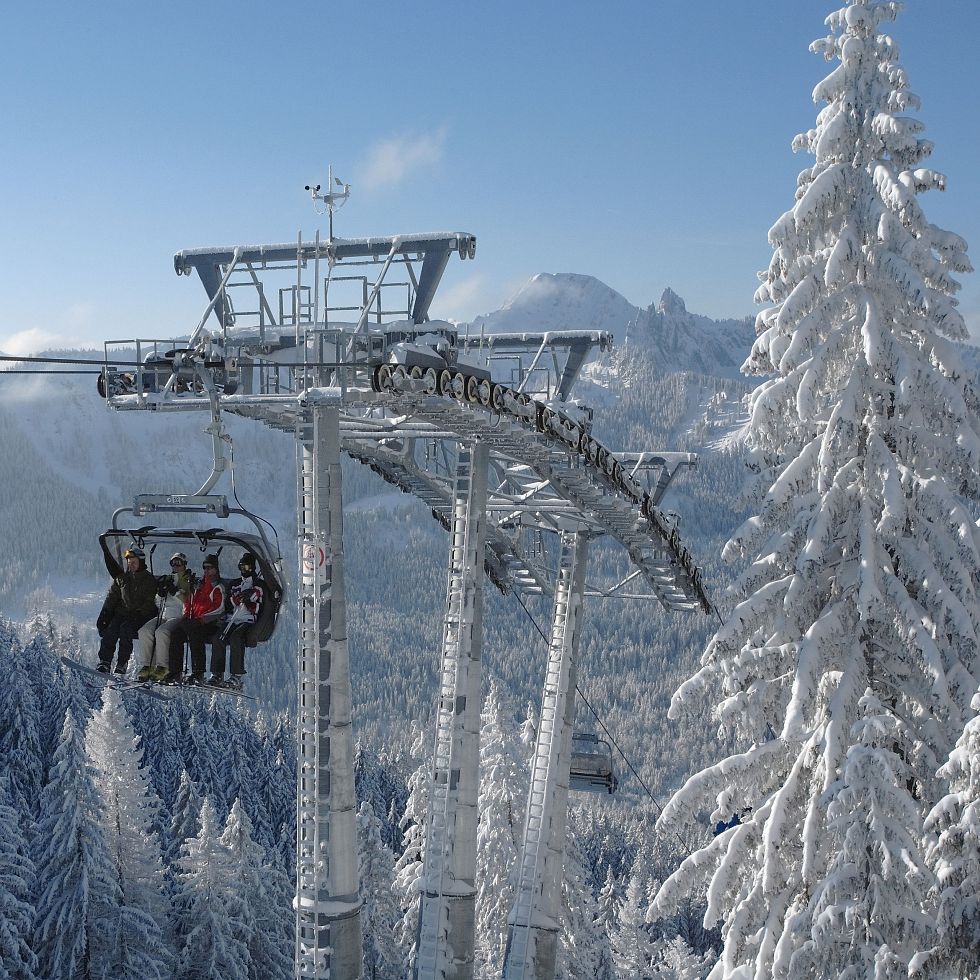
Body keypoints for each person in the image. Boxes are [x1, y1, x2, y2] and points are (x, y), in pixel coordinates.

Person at [162, 554, 225, 685]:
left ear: (216, 569)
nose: (207, 570)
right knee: (176, 634)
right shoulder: (198, 585)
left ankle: (198, 672)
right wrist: (186, 616)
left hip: (210, 623)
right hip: (194, 620)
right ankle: (175, 671)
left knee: (196, 634)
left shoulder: (218, 586)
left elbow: (218, 609)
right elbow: (188, 602)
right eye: (205, 567)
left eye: (210, 568)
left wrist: (200, 620)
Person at [95, 545, 158, 674]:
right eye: (129, 563)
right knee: (111, 629)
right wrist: (105, 614)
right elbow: (112, 597)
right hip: (122, 613)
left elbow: (150, 601)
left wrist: (139, 614)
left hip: (140, 616)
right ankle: (105, 662)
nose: (131, 565)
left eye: (134, 563)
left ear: (141, 563)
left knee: (126, 630)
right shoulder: (122, 579)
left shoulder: (148, 580)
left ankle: (122, 664)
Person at [136, 552, 195, 682]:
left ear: (184, 564)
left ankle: (163, 666)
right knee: (144, 631)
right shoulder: (167, 578)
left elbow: (188, 601)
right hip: (163, 614)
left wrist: (174, 591)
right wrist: (160, 593)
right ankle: (147, 665)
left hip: (179, 615)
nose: (175, 566)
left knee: (162, 632)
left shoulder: (188, 580)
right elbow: (157, 603)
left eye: (178, 563)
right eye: (173, 563)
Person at [209, 552, 264, 690]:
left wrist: (248, 596)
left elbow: (257, 595)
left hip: (247, 620)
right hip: (232, 618)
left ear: (252, 568)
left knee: (236, 637)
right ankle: (217, 673)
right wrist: (236, 599)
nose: (244, 571)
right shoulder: (235, 584)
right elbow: (228, 602)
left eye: (247, 568)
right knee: (218, 638)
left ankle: (236, 676)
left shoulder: (258, 583)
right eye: (242, 568)